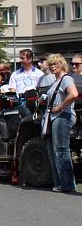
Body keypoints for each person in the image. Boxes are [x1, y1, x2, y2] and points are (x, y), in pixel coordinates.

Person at [42, 54, 79, 193]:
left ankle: (68, 185)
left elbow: (74, 94)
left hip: (62, 116)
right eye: (51, 64)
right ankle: (60, 183)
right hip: (53, 118)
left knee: (61, 150)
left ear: (62, 64)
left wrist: (59, 107)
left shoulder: (66, 78)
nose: (52, 66)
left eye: (55, 64)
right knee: (53, 151)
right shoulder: (55, 81)